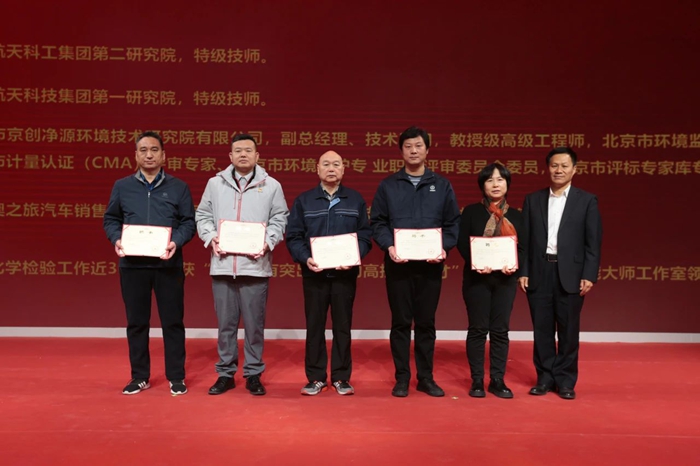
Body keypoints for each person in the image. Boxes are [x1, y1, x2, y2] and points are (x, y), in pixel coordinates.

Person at [103, 131, 196, 396]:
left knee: (173, 322)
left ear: (163, 155)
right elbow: (111, 219)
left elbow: (189, 222)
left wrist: (175, 242)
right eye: (143, 150)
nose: (149, 155)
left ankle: (176, 376)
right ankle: (139, 376)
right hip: (132, 266)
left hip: (168, 265)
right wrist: (116, 239)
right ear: (135, 155)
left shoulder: (179, 187)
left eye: (154, 150)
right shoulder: (122, 186)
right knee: (137, 323)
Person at [370, 126, 460, 397]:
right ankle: (402, 377)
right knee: (400, 322)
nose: (413, 151)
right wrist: (389, 246)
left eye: (418, 146)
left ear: (427, 150)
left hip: (430, 266)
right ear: (401, 151)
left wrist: (443, 247)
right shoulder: (388, 185)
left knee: (426, 322)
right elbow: (378, 222)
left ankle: (425, 377)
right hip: (398, 265)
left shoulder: (441, 185)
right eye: (408, 146)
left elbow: (452, 223)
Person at [195, 134, 288, 396]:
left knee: (254, 325)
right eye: (238, 150)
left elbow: (280, 218)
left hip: (255, 267)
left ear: (257, 156)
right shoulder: (215, 184)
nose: (243, 154)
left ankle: (253, 373)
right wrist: (211, 238)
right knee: (225, 325)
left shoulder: (272, 186)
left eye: (248, 150)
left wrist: (266, 243)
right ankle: (225, 373)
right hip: (223, 265)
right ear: (230, 156)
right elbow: (202, 215)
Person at [286, 151, 372, 396]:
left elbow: (365, 236)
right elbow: (293, 236)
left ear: (343, 169)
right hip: (314, 274)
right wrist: (306, 258)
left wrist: (354, 257)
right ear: (317, 169)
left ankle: (341, 377)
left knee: (343, 327)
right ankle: (315, 378)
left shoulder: (354, 200)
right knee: (314, 326)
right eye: (326, 164)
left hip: (345, 275)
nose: (331, 168)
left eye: (336, 164)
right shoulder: (304, 200)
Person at [518, 147, 602, 400]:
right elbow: (525, 241)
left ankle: (565, 381)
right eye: (554, 165)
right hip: (539, 270)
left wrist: (589, 274)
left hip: (571, 273)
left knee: (568, 330)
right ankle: (544, 378)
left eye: (565, 166)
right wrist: (524, 271)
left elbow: (593, 243)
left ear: (574, 170)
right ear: (548, 168)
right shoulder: (533, 200)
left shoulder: (586, 200)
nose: (559, 170)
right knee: (541, 329)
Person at [456, 163, 524, 399]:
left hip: (505, 280)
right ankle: (477, 380)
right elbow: (462, 243)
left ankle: (497, 379)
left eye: (500, 180)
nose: (496, 184)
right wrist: (477, 262)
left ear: (507, 184)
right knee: (477, 329)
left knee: (500, 330)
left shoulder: (517, 216)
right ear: (482, 185)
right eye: (490, 180)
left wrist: (514, 266)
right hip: (477, 279)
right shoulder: (471, 212)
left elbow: (523, 248)